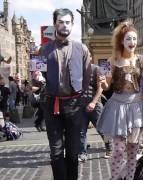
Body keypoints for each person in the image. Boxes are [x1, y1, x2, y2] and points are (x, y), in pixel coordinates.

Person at [96, 21, 143, 180]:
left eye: (134, 39)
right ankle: (115, 178)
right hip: (118, 106)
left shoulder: (142, 60)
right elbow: (107, 84)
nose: (132, 42)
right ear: (122, 41)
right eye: (128, 39)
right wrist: (102, 82)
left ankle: (130, 177)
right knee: (119, 148)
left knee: (134, 147)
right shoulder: (112, 60)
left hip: (136, 106)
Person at [40, 8, 91, 180]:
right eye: (61, 21)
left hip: (74, 105)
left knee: (72, 151)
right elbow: (37, 80)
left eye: (67, 22)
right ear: (55, 23)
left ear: (72, 24)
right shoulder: (44, 50)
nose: (64, 25)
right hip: (51, 104)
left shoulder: (81, 49)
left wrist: (82, 101)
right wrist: (37, 79)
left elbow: (87, 78)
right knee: (55, 152)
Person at [78, 63, 112, 162]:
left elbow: (101, 87)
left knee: (102, 129)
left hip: (95, 105)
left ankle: (109, 148)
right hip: (80, 106)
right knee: (81, 131)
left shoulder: (96, 69)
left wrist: (93, 102)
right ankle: (82, 153)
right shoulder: (76, 69)